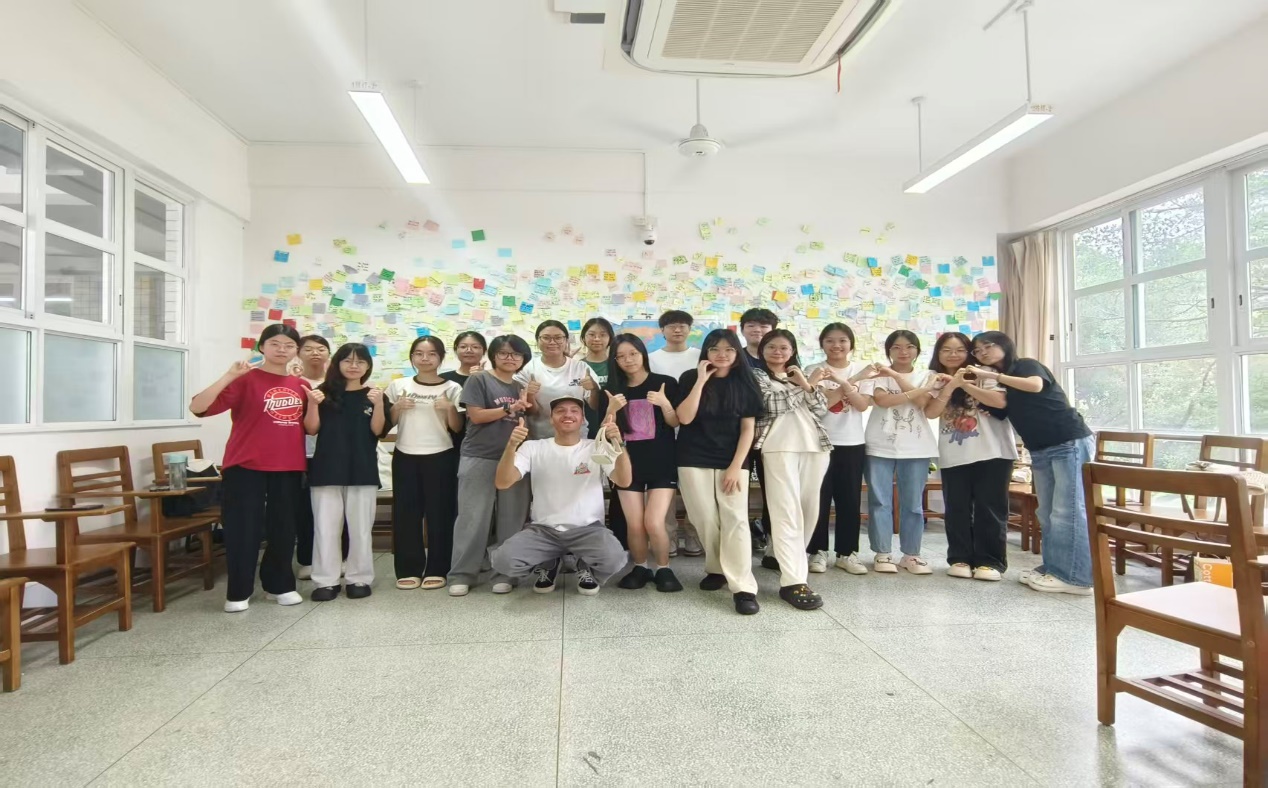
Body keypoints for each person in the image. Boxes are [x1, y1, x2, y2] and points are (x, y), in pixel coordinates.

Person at [190, 324, 308, 613]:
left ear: (296, 351)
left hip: (289, 465)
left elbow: (310, 424)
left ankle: (279, 585)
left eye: (288, 345)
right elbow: (198, 407)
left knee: (284, 528)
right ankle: (239, 590)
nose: (281, 350)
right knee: (243, 528)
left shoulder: (301, 384)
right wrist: (229, 376)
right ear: (261, 347)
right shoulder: (245, 379)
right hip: (245, 464)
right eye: (275, 343)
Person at [969, 330, 1094, 595]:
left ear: (1004, 345)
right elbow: (1000, 410)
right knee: (1047, 513)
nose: (982, 353)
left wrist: (993, 377)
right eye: (977, 351)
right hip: (1040, 449)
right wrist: (961, 383)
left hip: (1067, 441)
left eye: (987, 347)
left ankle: (1076, 578)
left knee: (1068, 511)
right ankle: (1053, 569)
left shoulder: (1025, 365)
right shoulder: (1004, 382)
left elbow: (1035, 385)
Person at [489, 399, 631, 596]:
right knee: (502, 560)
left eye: (574, 411)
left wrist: (618, 442)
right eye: (560, 411)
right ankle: (549, 562)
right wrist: (512, 445)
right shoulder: (533, 447)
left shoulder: (596, 447)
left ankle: (585, 565)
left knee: (616, 559)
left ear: (582, 419)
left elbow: (624, 480)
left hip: (588, 529)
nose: (568, 414)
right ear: (551, 419)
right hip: (544, 531)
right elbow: (502, 482)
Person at [672, 329, 764, 615]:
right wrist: (701, 380)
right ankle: (716, 568)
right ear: (706, 353)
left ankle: (743, 587)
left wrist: (736, 467)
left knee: (735, 519)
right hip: (692, 456)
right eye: (714, 349)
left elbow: (748, 430)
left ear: (737, 353)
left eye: (728, 349)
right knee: (704, 518)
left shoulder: (747, 382)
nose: (721, 354)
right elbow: (684, 418)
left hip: (732, 460)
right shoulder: (690, 377)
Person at [924, 332, 1015, 581]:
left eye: (960, 350)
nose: (953, 355)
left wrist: (964, 383)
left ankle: (991, 562)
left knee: (990, 508)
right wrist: (951, 385)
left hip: (993, 452)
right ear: (938, 354)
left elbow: (999, 402)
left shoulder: (985, 373)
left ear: (969, 353)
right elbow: (931, 412)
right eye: (946, 350)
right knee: (957, 509)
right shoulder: (935, 379)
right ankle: (959, 558)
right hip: (954, 453)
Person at [448, 335, 533, 596]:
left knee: (512, 518)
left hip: (515, 459)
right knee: (472, 518)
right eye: (504, 353)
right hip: (479, 456)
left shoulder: (520, 386)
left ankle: (506, 573)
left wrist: (528, 402)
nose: (510, 358)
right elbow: (475, 416)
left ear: (523, 359)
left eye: (516, 354)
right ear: (493, 355)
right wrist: (509, 409)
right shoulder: (479, 379)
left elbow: (527, 418)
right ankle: (462, 574)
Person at [753, 330, 831, 610]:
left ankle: (788, 561)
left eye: (784, 347)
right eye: (771, 346)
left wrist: (807, 384)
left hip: (815, 446)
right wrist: (807, 384)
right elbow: (770, 405)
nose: (778, 352)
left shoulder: (799, 374)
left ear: (792, 351)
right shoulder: (756, 375)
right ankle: (793, 581)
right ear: (762, 350)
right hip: (778, 446)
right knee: (785, 511)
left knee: (809, 510)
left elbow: (821, 407)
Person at [303, 343, 385, 601]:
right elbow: (311, 429)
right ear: (337, 363)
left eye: (360, 361)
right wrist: (312, 404)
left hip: (362, 468)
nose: (354, 366)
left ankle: (359, 578)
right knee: (325, 527)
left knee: (361, 528)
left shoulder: (374, 394)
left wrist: (379, 404)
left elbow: (378, 431)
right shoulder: (322, 393)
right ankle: (325, 581)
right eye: (348, 360)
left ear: (368, 366)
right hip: (326, 469)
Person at [602, 334, 683, 592]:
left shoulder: (664, 383)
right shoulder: (613, 389)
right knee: (634, 523)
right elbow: (605, 431)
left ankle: (663, 568)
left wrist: (665, 403)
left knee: (654, 522)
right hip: (627, 464)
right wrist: (611, 409)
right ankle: (640, 567)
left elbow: (675, 422)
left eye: (633, 353)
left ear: (642, 353)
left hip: (662, 461)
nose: (628, 360)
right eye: (621, 356)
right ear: (615, 360)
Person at [386, 336, 464, 591]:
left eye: (431, 354)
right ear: (412, 357)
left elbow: (458, 428)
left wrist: (449, 408)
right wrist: (397, 407)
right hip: (405, 455)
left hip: (441, 455)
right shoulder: (398, 386)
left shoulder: (452, 388)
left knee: (441, 514)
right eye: (419, 353)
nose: (425, 358)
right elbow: (386, 423)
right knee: (406, 514)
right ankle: (408, 569)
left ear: (440, 358)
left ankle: (438, 568)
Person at [860, 330, 940, 575]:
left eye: (909, 347)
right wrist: (918, 391)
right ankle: (882, 553)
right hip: (878, 446)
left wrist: (895, 378)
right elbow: (882, 401)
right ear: (889, 351)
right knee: (879, 501)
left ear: (917, 350)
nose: (903, 352)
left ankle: (911, 555)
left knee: (913, 504)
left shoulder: (929, 375)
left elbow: (923, 404)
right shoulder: (877, 374)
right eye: (896, 347)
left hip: (917, 447)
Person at [804, 323, 874, 575]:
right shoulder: (813, 370)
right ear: (822, 344)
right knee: (818, 499)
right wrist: (852, 382)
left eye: (842, 340)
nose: (836, 345)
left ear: (851, 344)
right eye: (830, 340)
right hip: (818, 443)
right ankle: (817, 551)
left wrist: (843, 382)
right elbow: (822, 404)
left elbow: (862, 405)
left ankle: (847, 553)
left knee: (849, 500)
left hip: (852, 443)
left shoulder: (863, 369)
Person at [647, 309, 703, 558]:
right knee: (664, 486)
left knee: (695, 487)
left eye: (682, 325)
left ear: (690, 329)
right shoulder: (651, 358)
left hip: (696, 430)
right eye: (671, 326)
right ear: (662, 330)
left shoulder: (701, 357)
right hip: (663, 431)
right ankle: (667, 536)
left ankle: (693, 533)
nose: (677, 330)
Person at [294, 335, 338, 581]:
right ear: (298, 353)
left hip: (330, 454)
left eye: (321, 349)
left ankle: (339, 557)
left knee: (336, 509)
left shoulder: (335, 384)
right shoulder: (293, 383)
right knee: (305, 510)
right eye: (308, 349)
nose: (315, 353)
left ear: (328, 354)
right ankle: (307, 560)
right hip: (300, 454)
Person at [515, 320, 598, 440]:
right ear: (537, 341)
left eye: (558, 338)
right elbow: (527, 411)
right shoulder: (527, 369)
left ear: (566, 341)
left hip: (576, 437)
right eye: (546, 338)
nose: (552, 342)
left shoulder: (581, 368)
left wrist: (594, 389)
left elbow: (595, 406)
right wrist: (530, 395)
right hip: (540, 438)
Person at [738, 308, 777, 552]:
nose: (757, 330)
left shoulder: (779, 357)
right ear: (742, 330)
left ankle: (770, 537)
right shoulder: (734, 357)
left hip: (772, 435)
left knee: (772, 488)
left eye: (763, 326)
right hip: (738, 433)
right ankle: (740, 538)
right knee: (737, 487)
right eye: (751, 325)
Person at [579, 317, 614, 438]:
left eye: (602, 335)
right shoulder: (577, 366)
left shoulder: (617, 365)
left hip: (613, 424)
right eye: (592, 334)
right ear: (583, 338)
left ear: (610, 339)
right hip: (585, 427)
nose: (597, 339)